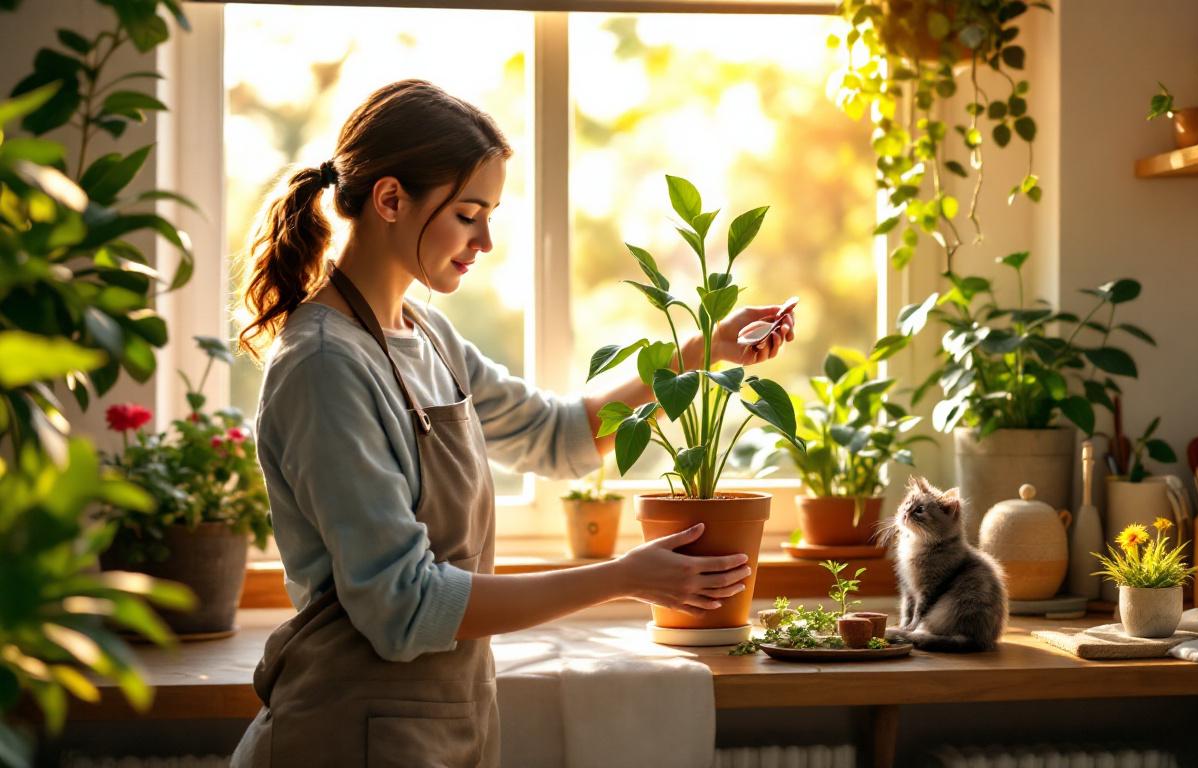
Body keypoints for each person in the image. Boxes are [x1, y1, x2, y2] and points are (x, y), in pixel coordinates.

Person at [229, 79, 797, 767]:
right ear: (389, 199)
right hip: (347, 731)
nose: (487, 241)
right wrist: (622, 577)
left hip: (444, 722)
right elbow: (404, 606)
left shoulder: (426, 335)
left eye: (490, 214)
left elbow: (557, 437)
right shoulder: (323, 366)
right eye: (469, 214)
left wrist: (703, 349)